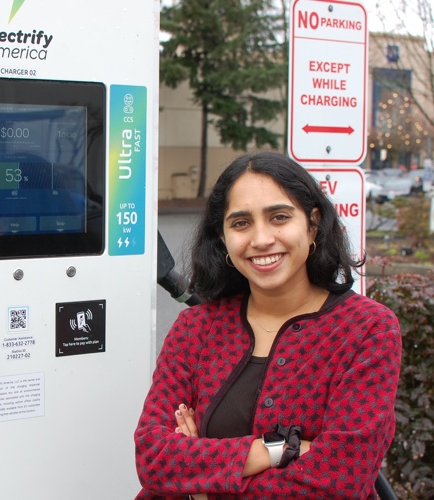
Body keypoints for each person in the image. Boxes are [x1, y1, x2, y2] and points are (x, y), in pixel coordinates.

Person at [134, 152, 401, 499]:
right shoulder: (196, 328)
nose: (261, 239)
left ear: (312, 224)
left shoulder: (367, 330)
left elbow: (339, 480)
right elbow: (153, 460)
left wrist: (202, 481)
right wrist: (273, 450)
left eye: (279, 217)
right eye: (241, 223)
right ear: (224, 238)